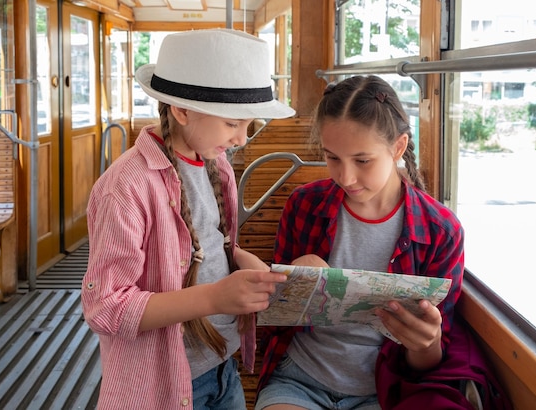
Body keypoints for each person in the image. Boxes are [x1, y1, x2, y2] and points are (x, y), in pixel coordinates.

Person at [81, 29, 295, 410]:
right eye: (233, 124)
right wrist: (214, 297)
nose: (243, 139)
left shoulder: (217, 166)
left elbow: (206, 244)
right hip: (161, 383)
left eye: (249, 124)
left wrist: (240, 260)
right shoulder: (127, 187)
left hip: (221, 367)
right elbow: (107, 307)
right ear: (181, 111)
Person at [255, 75, 467, 410]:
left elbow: (430, 363)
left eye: (362, 160)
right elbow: (269, 316)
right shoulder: (305, 205)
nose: (346, 177)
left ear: (397, 147)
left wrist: (426, 344)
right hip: (299, 378)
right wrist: (290, 280)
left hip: (383, 389)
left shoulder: (440, 230)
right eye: (332, 158)